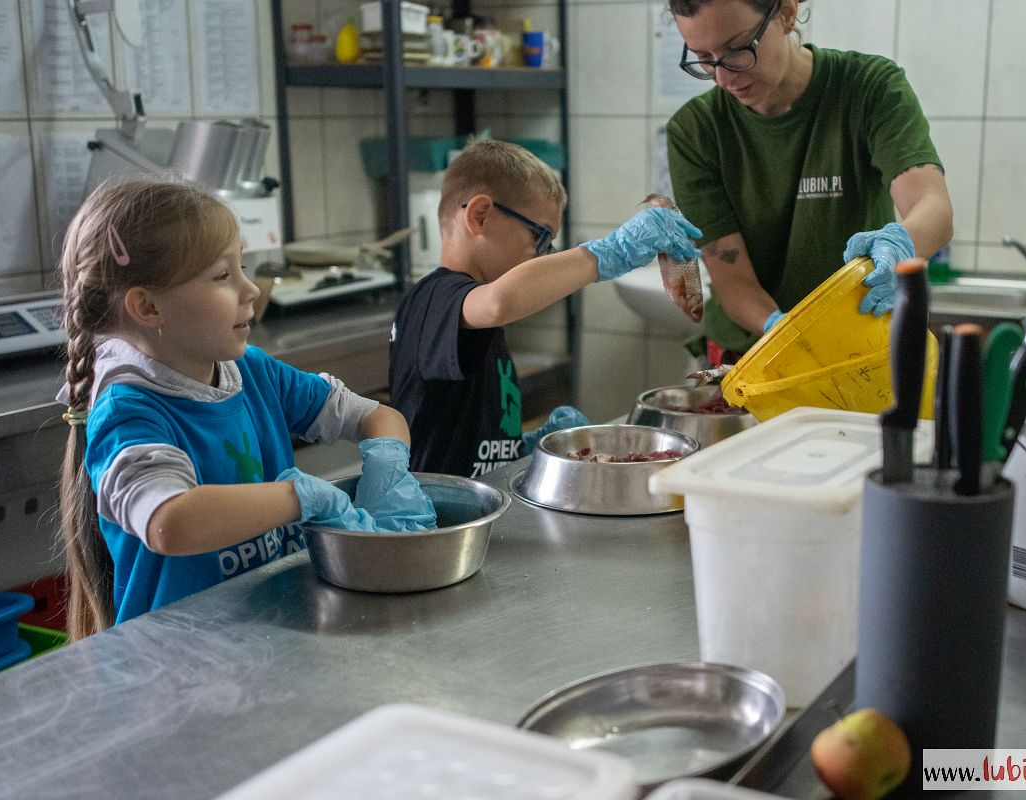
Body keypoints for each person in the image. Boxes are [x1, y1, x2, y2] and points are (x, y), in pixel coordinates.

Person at [57, 179, 434, 640]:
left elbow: (376, 416)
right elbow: (171, 522)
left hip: (269, 635)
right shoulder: (129, 411)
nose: (251, 289)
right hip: (179, 662)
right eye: (222, 276)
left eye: (243, 267)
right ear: (148, 306)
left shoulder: (251, 372)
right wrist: (305, 498)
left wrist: (388, 466)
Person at [389, 139, 702, 478]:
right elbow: (498, 303)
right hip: (436, 512)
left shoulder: (468, 314)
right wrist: (605, 254)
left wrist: (519, 446)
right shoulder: (434, 297)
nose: (541, 255)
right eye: (540, 237)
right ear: (480, 216)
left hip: (478, 499)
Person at [666, 0, 953, 363]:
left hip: (861, 351)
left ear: (786, 13)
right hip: (752, 355)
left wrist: (901, 245)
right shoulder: (696, 131)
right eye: (703, 57)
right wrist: (785, 332)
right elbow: (732, 279)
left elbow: (933, 207)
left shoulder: (869, 89)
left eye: (737, 49)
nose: (723, 78)